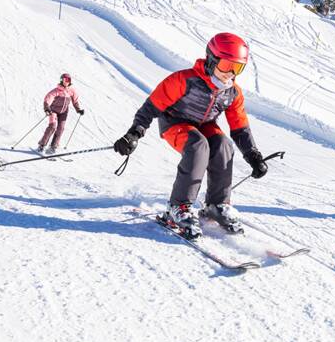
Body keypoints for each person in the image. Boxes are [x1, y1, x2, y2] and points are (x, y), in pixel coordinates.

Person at [112, 32, 268, 238]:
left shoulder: (233, 92)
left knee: (223, 145)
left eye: (237, 68)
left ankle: (217, 204)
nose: (230, 73)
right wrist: (134, 134)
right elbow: (151, 107)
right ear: (212, 60)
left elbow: (240, 126)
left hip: (204, 125)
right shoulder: (185, 80)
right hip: (175, 122)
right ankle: (178, 208)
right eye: (225, 65)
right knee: (198, 146)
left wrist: (253, 155)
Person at [37, 73, 84, 154]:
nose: (67, 82)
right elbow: (47, 99)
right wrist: (47, 108)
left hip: (64, 112)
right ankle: (42, 145)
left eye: (69, 80)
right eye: (65, 80)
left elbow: (75, 101)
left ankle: (53, 146)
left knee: (61, 128)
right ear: (62, 80)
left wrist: (78, 109)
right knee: (52, 126)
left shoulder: (71, 91)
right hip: (53, 111)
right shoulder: (56, 91)